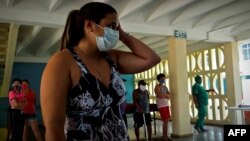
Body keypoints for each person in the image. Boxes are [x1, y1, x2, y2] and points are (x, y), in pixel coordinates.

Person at [40, 2, 161, 141]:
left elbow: (152, 59)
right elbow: (54, 128)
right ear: (89, 25)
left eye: (116, 28)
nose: (114, 32)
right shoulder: (62, 62)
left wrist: (123, 35)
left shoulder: (111, 58)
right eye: (110, 26)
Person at [154, 73, 171, 141]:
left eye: (164, 78)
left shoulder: (165, 87)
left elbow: (170, 95)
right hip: (161, 105)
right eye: (162, 79)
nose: (163, 80)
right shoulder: (157, 86)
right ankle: (164, 137)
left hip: (166, 104)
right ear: (159, 80)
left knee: (167, 120)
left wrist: (165, 95)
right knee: (165, 120)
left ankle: (165, 136)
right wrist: (166, 95)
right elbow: (160, 95)